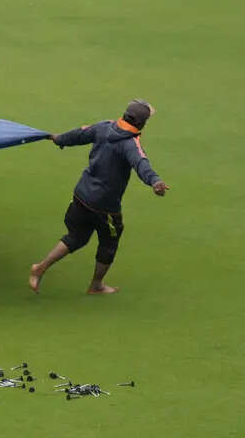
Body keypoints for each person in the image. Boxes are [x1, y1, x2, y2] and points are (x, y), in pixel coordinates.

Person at [29, 100, 169, 296]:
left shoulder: (104, 127)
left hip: (81, 194)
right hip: (104, 206)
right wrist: (155, 182)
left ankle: (40, 267)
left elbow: (79, 134)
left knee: (76, 237)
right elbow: (141, 163)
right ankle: (96, 285)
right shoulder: (130, 143)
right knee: (109, 243)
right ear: (142, 124)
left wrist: (58, 139)